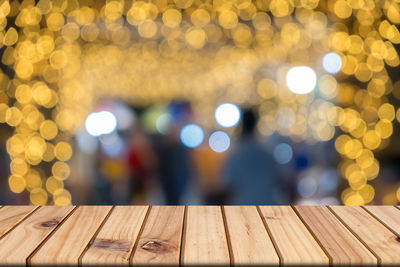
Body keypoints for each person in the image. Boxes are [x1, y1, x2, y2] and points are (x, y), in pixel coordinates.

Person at [221, 108, 289, 204]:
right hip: (266, 204)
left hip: (243, 204)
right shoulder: (267, 153)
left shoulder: (235, 155)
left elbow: (229, 185)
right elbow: (280, 179)